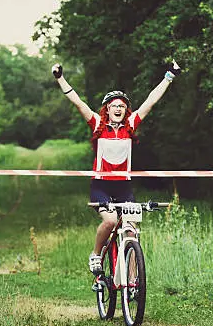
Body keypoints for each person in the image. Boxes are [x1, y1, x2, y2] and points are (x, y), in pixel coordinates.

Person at [51, 60, 181, 274]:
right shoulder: (97, 124)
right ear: (107, 109)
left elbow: (150, 101)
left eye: (122, 106)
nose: (118, 109)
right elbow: (78, 103)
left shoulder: (130, 124)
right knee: (111, 220)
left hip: (123, 187)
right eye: (114, 106)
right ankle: (95, 255)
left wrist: (169, 76)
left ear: (125, 110)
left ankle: (130, 280)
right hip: (101, 185)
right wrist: (60, 78)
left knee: (131, 231)